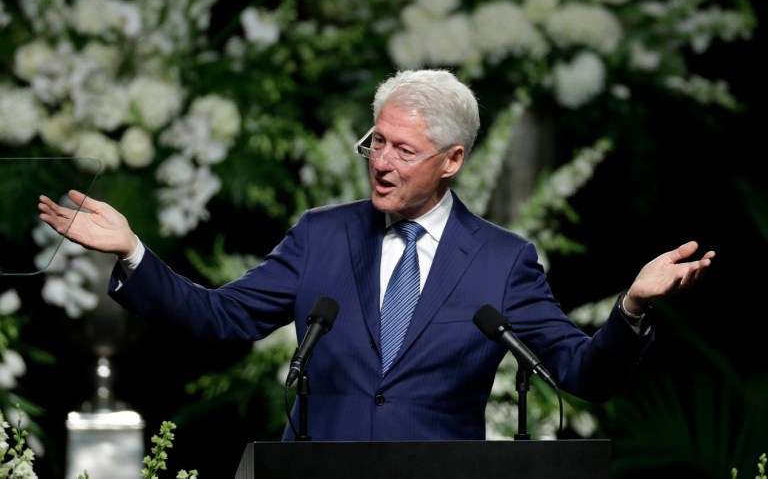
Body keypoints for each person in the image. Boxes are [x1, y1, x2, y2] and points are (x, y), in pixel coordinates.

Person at [38, 69, 715, 441]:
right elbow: (223, 318)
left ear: (453, 160)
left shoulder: (502, 262)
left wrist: (629, 309)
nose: (382, 164)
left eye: (404, 150)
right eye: (377, 142)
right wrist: (133, 252)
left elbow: (578, 371)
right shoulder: (321, 236)